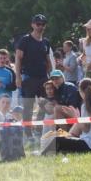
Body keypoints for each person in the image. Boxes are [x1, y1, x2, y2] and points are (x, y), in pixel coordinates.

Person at [14, 14, 55, 144]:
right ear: (32, 25)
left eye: (43, 24)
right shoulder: (25, 40)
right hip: (29, 78)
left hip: (43, 78)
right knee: (28, 107)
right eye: (38, 24)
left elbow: (48, 60)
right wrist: (18, 76)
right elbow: (18, 58)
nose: (40, 26)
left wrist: (51, 75)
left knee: (46, 104)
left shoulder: (46, 42)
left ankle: (38, 129)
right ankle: (28, 133)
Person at [41, 78, 91, 154]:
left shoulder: (85, 106)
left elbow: (86, 128)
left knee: (57, 140)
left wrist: (75, 118)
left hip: (90, 145)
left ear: (81, 91)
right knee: (63, 140)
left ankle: (42, 154)